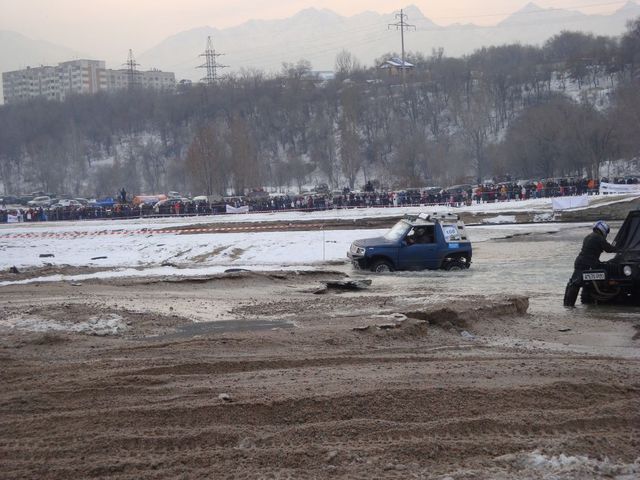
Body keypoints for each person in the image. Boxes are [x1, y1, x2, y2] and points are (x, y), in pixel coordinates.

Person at [564, 220, 617, 307]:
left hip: (581, 262)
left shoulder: (589, 236)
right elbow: (609, 249)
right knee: (575, 283)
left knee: (574, 282)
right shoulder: (598, 238)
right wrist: (619, 249)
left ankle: (568, 306)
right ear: (603, 230)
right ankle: (569, 306)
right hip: (587, 263)